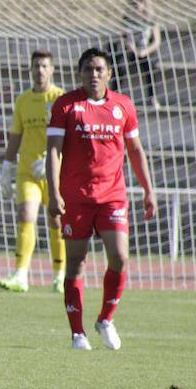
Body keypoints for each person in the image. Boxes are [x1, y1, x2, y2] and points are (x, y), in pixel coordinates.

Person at [46, 47, 157, 351]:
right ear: (78, 73)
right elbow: (54, 149)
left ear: (109, 73)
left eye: (98, 69)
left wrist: (149, 190)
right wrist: (53, 192)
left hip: (112, 195)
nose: (93, 74)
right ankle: (77, 334)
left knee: (120, 257)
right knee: (77, 263)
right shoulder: (65, 105)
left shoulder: (123, 105)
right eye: (87, 69)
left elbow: (135, 150)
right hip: (76, 197)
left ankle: (105, 319)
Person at [0, 50, 66, 294]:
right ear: (30, 69)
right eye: (36, 66)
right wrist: (7, 167)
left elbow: (71, 136)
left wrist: (53, 157)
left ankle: (60, 275)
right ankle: (21, 274)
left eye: (44, 66)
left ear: (52, 70)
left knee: (56, 219)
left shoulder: (61, 98)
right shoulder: (22, 100)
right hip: (28, 170)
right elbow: (15, 136)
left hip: (55, 172)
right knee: (25, 214)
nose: (40, 70)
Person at [113, 0, 162, 109]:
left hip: (145, 51)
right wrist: (131, 48)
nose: (137, 7)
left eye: (139, 4)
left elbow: (156, 41)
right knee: (119, 65)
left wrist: (144, 51)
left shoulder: (151, 21)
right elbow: (122, 38)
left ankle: (152, 98)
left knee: (150, 66)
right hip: (129, 51)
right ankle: (114, 96)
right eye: (134, 4)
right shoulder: (126, 20)